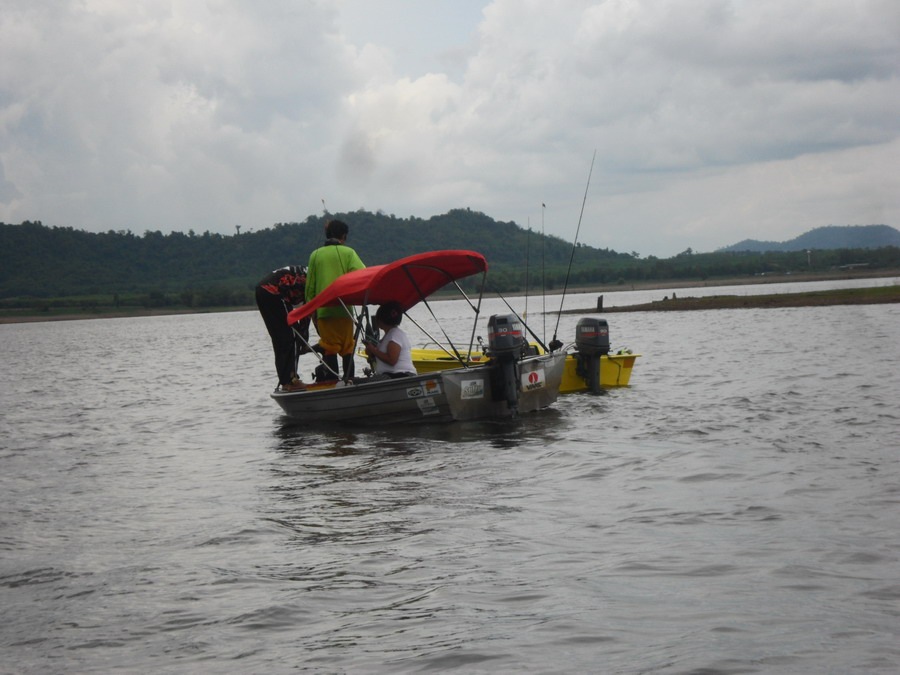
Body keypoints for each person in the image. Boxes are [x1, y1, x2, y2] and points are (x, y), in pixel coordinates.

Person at [306, 219, 365, 380]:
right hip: (345, 310)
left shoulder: (315, 255)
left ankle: (332, 383)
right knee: (347, 348)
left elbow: (309, 289)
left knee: (329, 348)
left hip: (323, 312)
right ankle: (349, 382)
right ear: (343, 236)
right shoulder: (349, 253)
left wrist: (313, 315)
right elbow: (363, 274)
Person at [256, 265, 310, 391]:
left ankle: (285, 380)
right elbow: (307, 313)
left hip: (262, 290)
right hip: (274, 291)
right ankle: (291, 380)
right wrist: (303, 337)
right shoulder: (315, 283)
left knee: (280, 339)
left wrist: (303, 336)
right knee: (293, 336)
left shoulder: (310, 275)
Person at [364, 301, 417, 377]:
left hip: (400, 375)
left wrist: (374, 350)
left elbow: (392, 360)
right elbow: (379, 355)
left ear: (381, 319)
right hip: (390, 375)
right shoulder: (388, 336)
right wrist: (371, 351)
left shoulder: (395, 335)